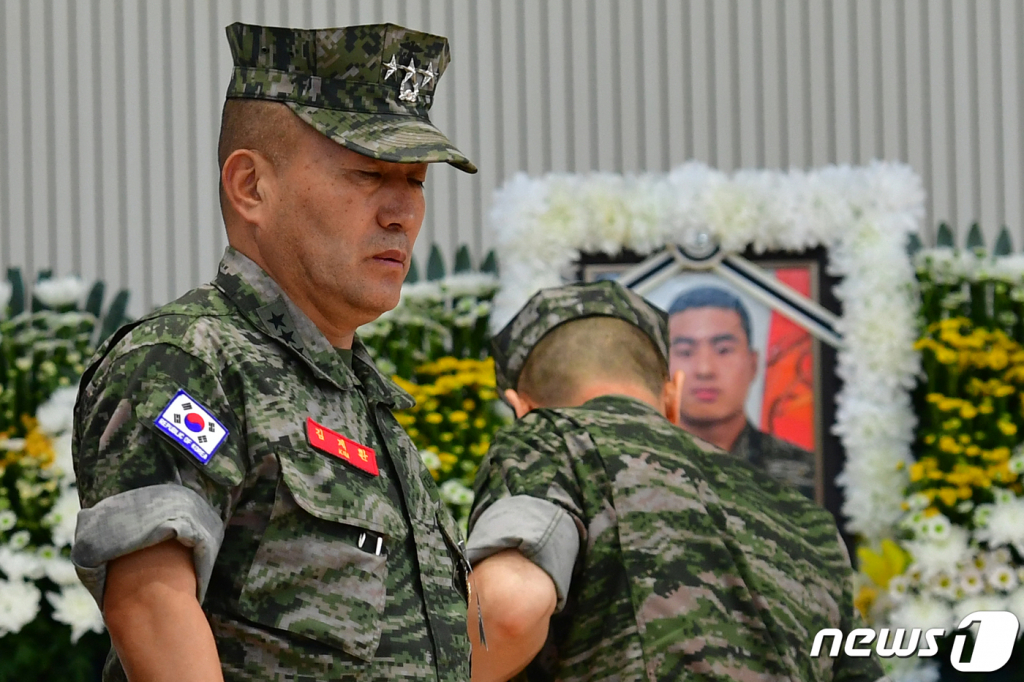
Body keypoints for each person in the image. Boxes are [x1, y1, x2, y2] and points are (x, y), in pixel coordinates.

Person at [71, 22, 476, 682]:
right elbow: (150, 606)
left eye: (417, 181)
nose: (402, 211)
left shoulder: (360, 398)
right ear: (251, 187)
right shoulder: (189, 361)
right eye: (369, 173)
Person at [466, 280, 886, 682]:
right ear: (673, 395)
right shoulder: (805, 517)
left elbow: (507, 610)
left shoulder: (550, 439)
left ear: (521, 408)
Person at [668, 285, 817, 499]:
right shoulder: (627, 470)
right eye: (685, 352)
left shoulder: (809, 473)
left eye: (723, 350)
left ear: (753, 365)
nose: (704, 370)